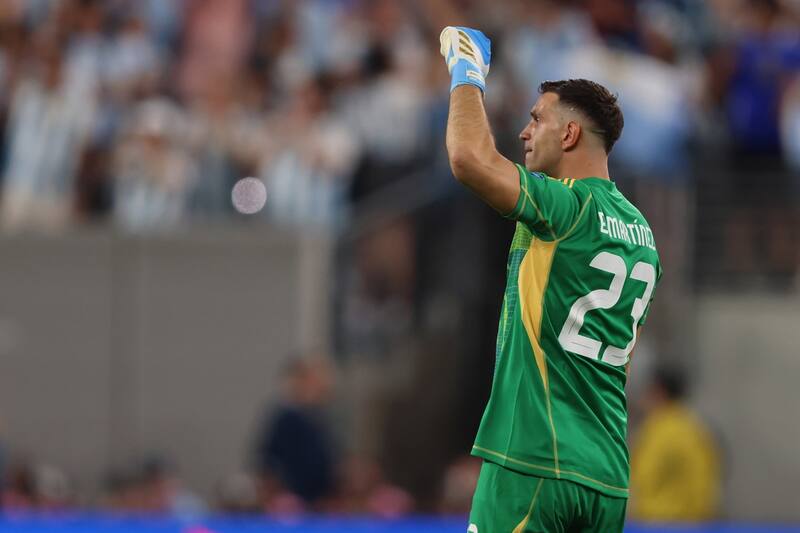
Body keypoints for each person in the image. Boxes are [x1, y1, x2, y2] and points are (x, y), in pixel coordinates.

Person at [439, 27, 662, 532]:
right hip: (605, 477)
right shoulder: (643, 235)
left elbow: (469, 158)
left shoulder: (567, 204)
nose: (524, 132)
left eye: (536, 119)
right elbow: (622, 359)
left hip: (534, 459)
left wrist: (466, 70)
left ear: (569, 135)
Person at [629, 366, 721, 521]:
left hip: (659, 523)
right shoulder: (696, 428)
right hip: (698, 523)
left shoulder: (658, 430)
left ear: (658, 392)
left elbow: (643, 481)